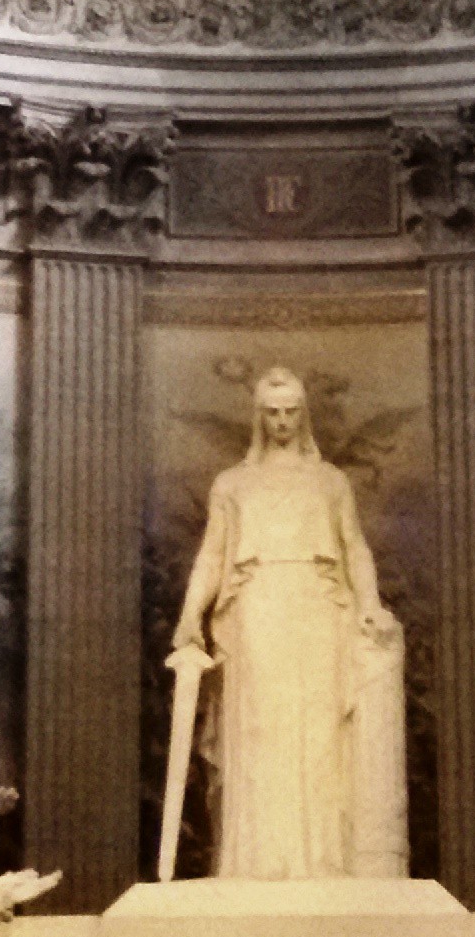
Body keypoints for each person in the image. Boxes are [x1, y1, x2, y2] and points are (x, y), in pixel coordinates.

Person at [168, 366, 407, 879]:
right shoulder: (232, 484)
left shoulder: (330, 481)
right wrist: (190, 616)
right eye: (272, 413)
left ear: (304, 415)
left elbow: (354, 547)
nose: (281, 422)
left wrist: (369, 602)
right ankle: (255, 862)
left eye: (291, 412)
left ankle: (322, 861)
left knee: (319, 735)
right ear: (258, 417)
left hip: (319, 608)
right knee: (259, 731)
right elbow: (212, 555)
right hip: (254, 609)